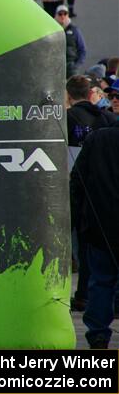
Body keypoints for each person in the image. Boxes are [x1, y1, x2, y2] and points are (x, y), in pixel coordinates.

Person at [65, 75, 117, 312]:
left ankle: (89, 308)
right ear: (91, 94)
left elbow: (76, 176)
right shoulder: (105, 121)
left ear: (68, 96)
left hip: (89, 205)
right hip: (100, 202)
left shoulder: (67, 120)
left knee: (91, 261)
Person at [70, 121, 119, 348]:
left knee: (100, 282)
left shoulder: (97, 139)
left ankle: (98, 333)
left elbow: (77, 180)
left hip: (100, 226)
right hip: (101, 225)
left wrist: (77, 219)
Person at [54, 6, 86, 77]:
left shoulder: (75, 30)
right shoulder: (52, 30)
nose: (62, 16)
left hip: (71, 67)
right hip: (55, 67)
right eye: (60, 14)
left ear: (68, 15)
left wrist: (77, 65)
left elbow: (82, 49)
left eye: (65, 14)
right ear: (56, 15)